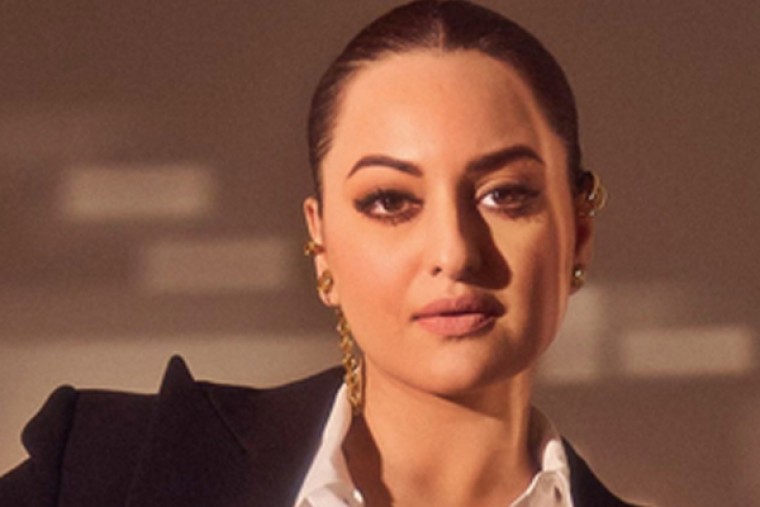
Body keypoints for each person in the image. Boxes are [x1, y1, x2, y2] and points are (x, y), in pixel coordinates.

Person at [0, 1, 636, 506]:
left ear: (579, 230)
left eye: (504, 195)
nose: (454, 252)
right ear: (322, 244)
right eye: (390, 201)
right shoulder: (109, 470)